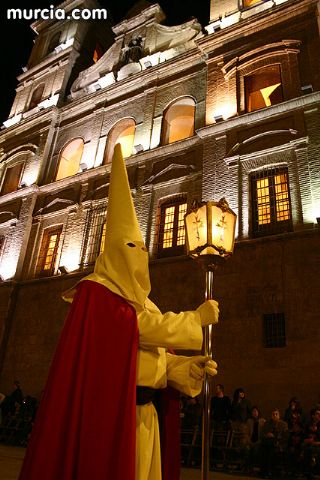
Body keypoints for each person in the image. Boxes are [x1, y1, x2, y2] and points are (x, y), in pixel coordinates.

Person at [18, 144, 219, 480]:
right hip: (113, 417)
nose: (139, 253)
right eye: (130, 247)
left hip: (146, 418)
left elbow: (155, 357)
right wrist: (194, 319)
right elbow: (136, 328)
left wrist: (187, 367)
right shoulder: (97, 292)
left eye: (141, 248)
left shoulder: (145, 301)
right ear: (112, 253)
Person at [259, 408, 289, 478]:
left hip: (278, 443)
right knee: (264, 449)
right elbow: (262, 434)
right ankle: (264, 471)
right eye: (273, 414)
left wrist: (274, 436)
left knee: (271, 449)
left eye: (276, 414)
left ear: (279, 415)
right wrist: (267, 435)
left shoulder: (283, 424)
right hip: (267, 443)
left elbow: (285, 436)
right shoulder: (267, 424)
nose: (274, 416)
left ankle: (270, 471)